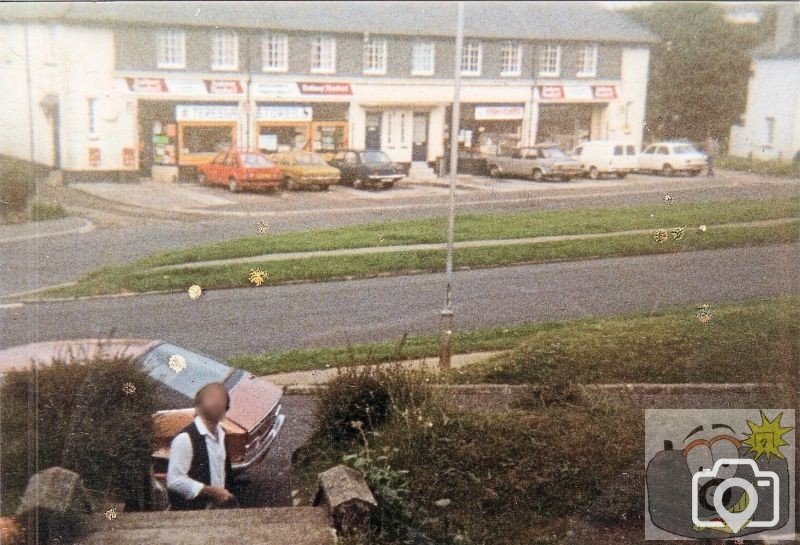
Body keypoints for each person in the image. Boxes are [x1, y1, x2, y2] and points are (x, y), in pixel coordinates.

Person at [166, 382, 236, 510]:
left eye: (222, 399)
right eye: (211, 398)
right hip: (192, 517)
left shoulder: (222, 435)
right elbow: (175, 481)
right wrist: (212, 492)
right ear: (198, 407)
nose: (217, 403)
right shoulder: (185, 439)